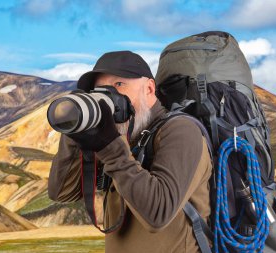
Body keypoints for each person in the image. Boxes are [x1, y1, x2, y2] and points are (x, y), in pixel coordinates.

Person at [48, 51, 212, 253]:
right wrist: (76, 128)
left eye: (119, 85)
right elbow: (61, 192)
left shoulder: (180, 131)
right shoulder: (124, 135)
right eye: (100, 89)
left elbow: (158, 214)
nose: (109, 95)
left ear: (149, 88)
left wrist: (111, 147)